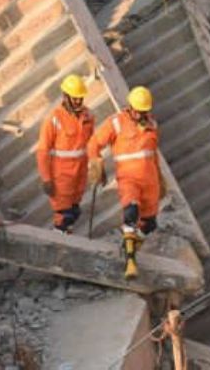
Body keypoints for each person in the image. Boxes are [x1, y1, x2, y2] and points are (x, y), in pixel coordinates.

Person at [88, 86, 161, 279]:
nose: (139, 114)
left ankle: (129, 247)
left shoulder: (152, 125)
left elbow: (153, 156)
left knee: (149, 224)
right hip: (129, 179)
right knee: (131, 212)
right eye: (137, 110)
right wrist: (96, 162)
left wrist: (161, 179)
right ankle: (130, 262)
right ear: (130, 107)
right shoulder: (117, 123)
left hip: (150, 181)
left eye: (143, 111)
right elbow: (94, 143)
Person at [37, 74, 95, 234]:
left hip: (80, 172)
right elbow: (42, 150)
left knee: (74, 211)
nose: (78, 101)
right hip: (61, 174)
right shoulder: (54, 119)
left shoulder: (88, 116)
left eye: (80, 98)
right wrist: (46, 179)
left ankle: (66, 233)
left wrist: (97, 165)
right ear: (65, 96)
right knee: (64, 214)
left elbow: (92, 143)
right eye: (74, 98)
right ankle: (59, 238)